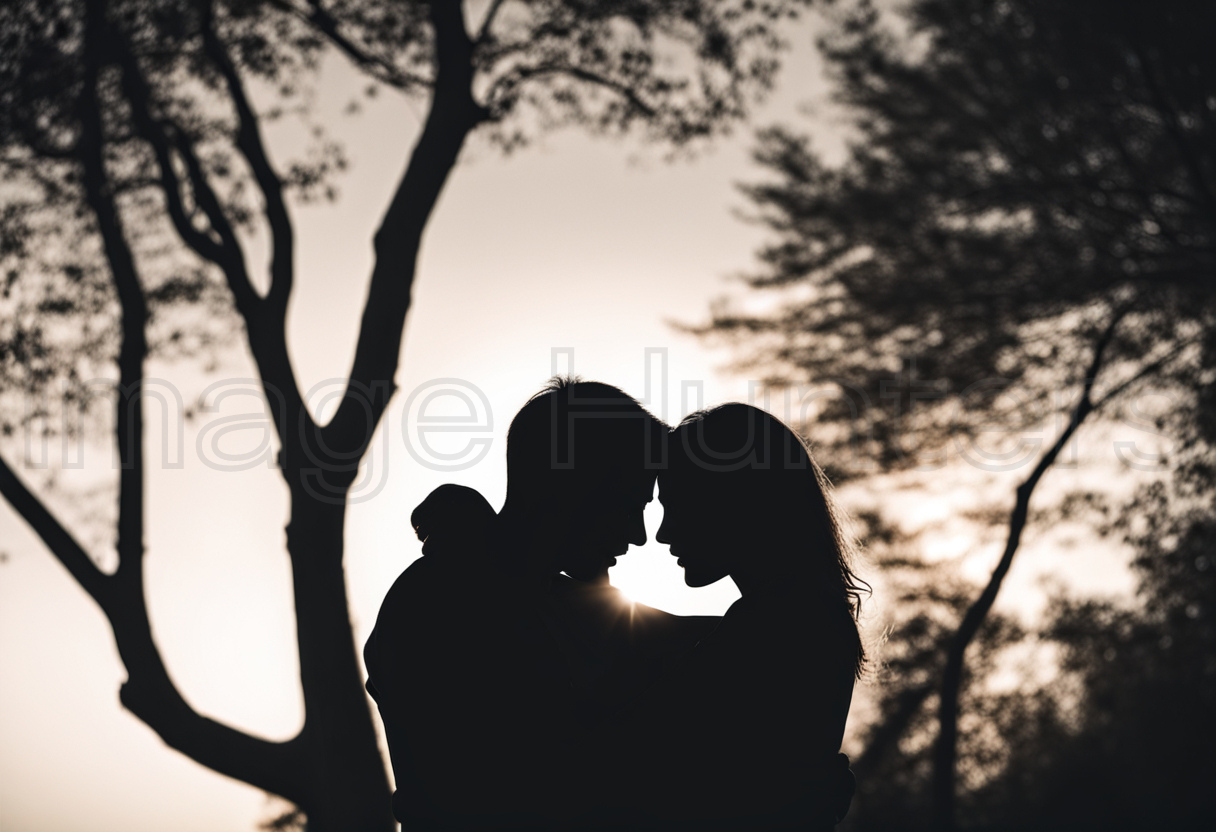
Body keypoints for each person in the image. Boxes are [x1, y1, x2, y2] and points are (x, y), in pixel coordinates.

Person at [364, 378, 716, 829]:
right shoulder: (442, 602)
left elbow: (713, 639)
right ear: (575, 492)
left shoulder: (542, 598)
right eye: (629, 506)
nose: (638, 535)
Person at [607, 403, 866, 830]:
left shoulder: (779, 628)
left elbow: (628, 752)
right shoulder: (795, 616)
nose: (663, 533)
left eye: (677, 506)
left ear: (732, 503)